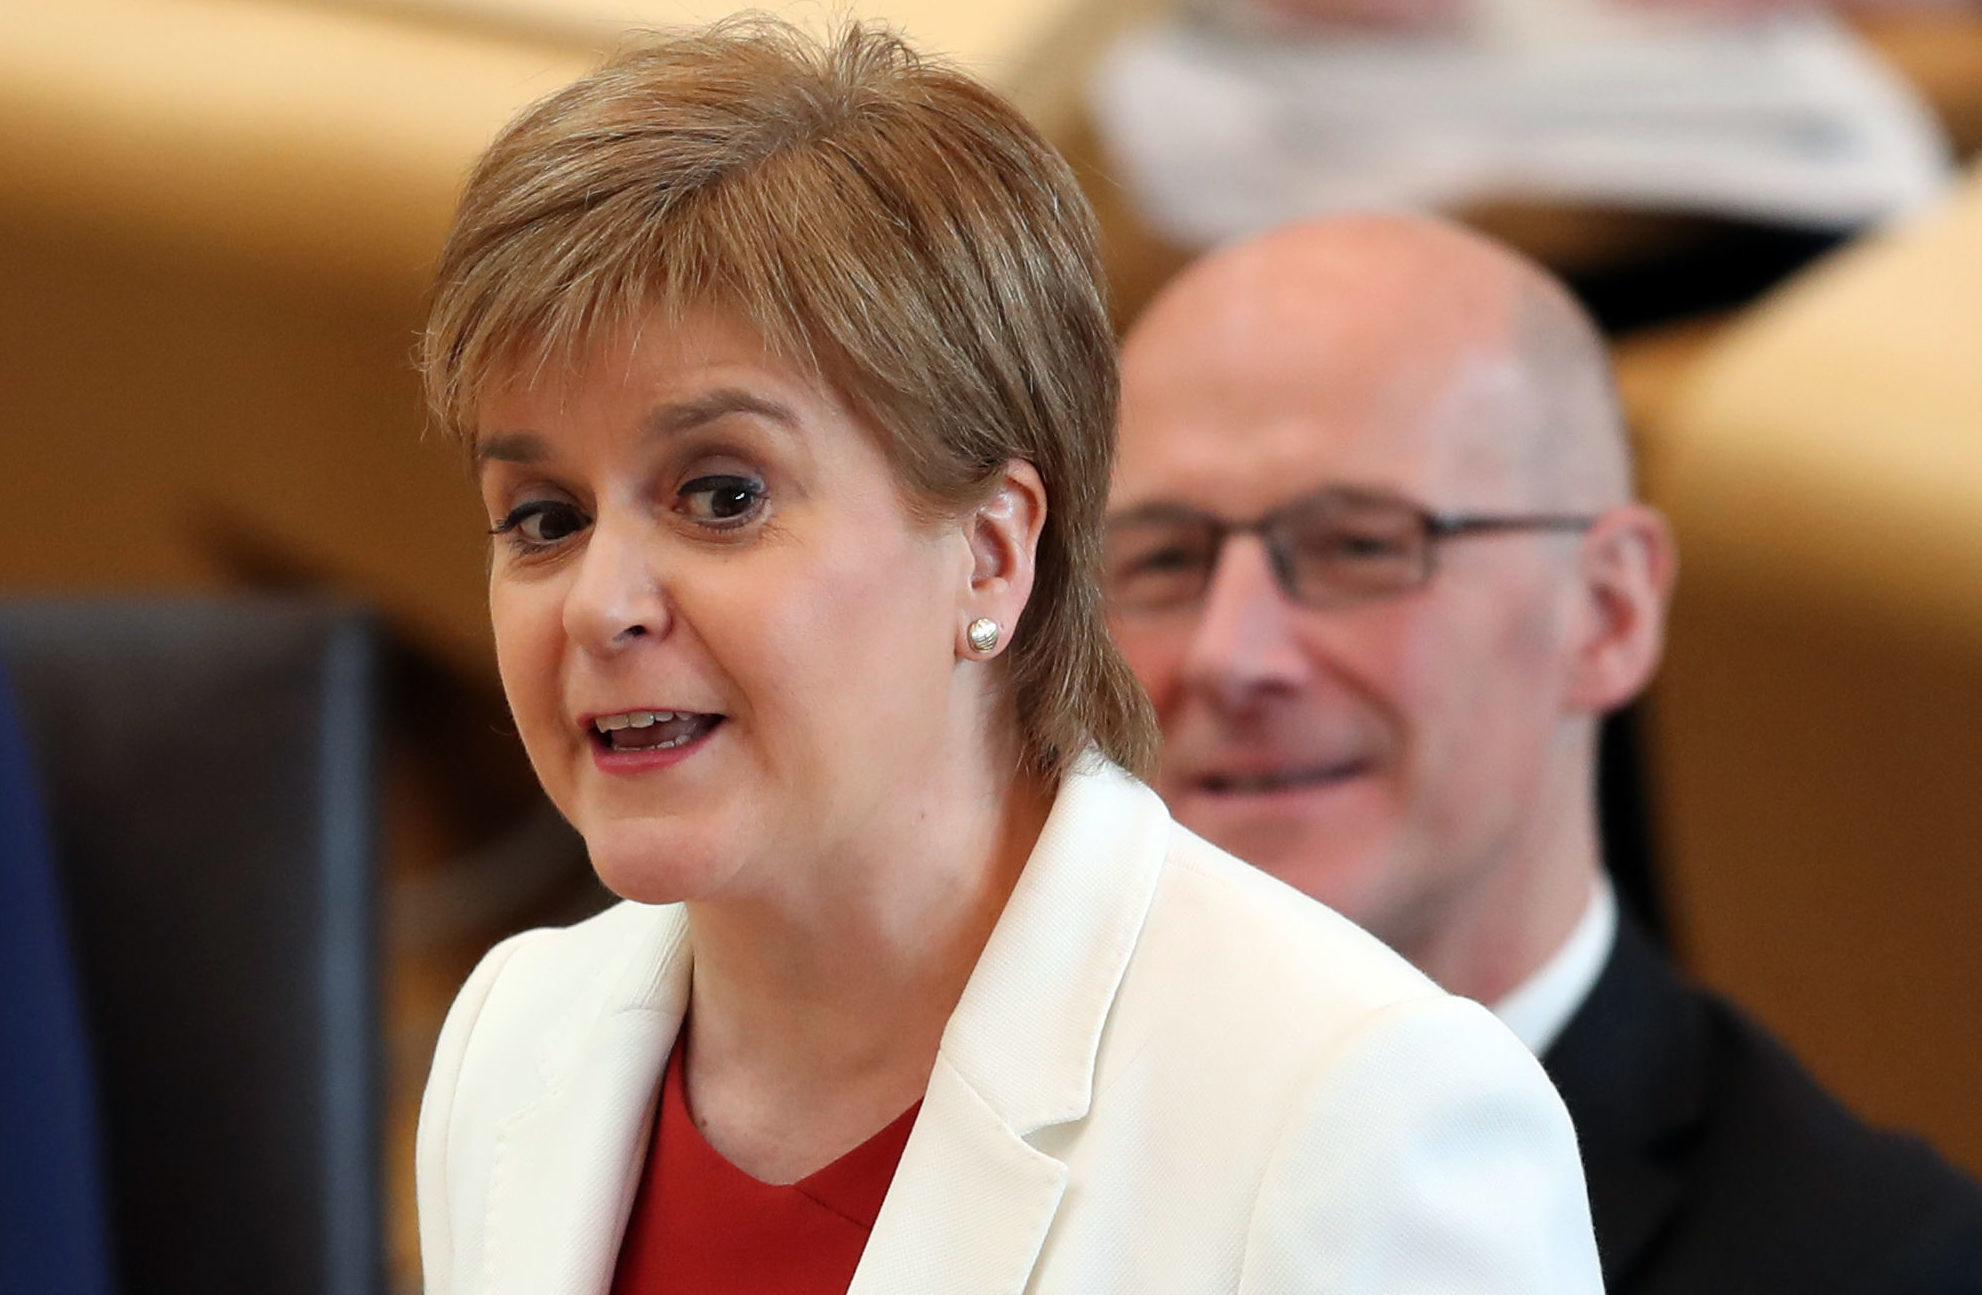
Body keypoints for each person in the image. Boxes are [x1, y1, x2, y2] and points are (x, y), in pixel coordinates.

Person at [413, 21, 1602, 1295]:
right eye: (545, 517)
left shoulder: (1353, 1109)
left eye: (720, 496)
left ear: (990, 555)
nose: (601, 604)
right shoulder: (513, 1033)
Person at [1109, 211, 1982, 1294]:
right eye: (1159, 558)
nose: (1230, 652)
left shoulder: (1870, 1265)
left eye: (1357, 546)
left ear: (1607, 613)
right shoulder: (957, 1138)